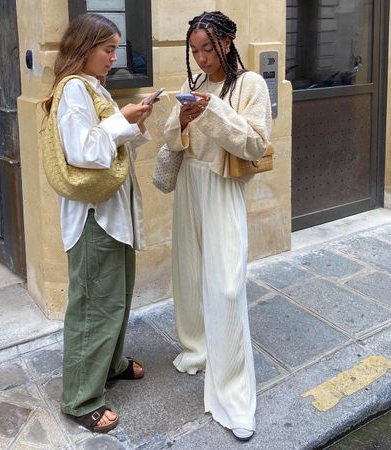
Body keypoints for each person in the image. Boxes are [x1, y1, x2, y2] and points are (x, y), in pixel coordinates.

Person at [43, 13, 156, 433]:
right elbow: (83, 151)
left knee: (115, 298)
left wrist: (134, 122)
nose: (114, 57)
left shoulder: (92, 87)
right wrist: (123, 120)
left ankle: (110, 365)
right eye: (108, 49)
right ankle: (80, 398)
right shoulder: (74, 87)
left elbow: (116, 145)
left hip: (111, 214)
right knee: (93, 306)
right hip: (94, 218)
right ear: (84, 47)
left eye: (116, 49)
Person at [163, 11, 272, 441]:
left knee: (226, 286)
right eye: (194, 50)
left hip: (222, 186)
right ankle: (198, 349)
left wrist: (214, 113)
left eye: (207, 47)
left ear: (226, 42)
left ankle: (234, 395)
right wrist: (184, 120)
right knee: (189, 275)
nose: (201, 57)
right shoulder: (196, 86)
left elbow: (255, 142)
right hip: (191, 181)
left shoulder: (250, 85)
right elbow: (173, 140)